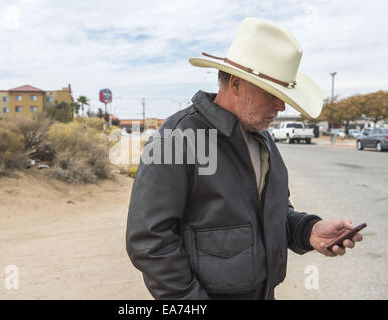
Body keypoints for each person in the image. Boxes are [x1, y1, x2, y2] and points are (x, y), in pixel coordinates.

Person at [125, 17, 363, 300]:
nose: (281, 105)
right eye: (272, 93)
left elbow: (273, 212)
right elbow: (149, 240)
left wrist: (309, 229)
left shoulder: (261, 137)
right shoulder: (176, 138)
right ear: (236, 84)